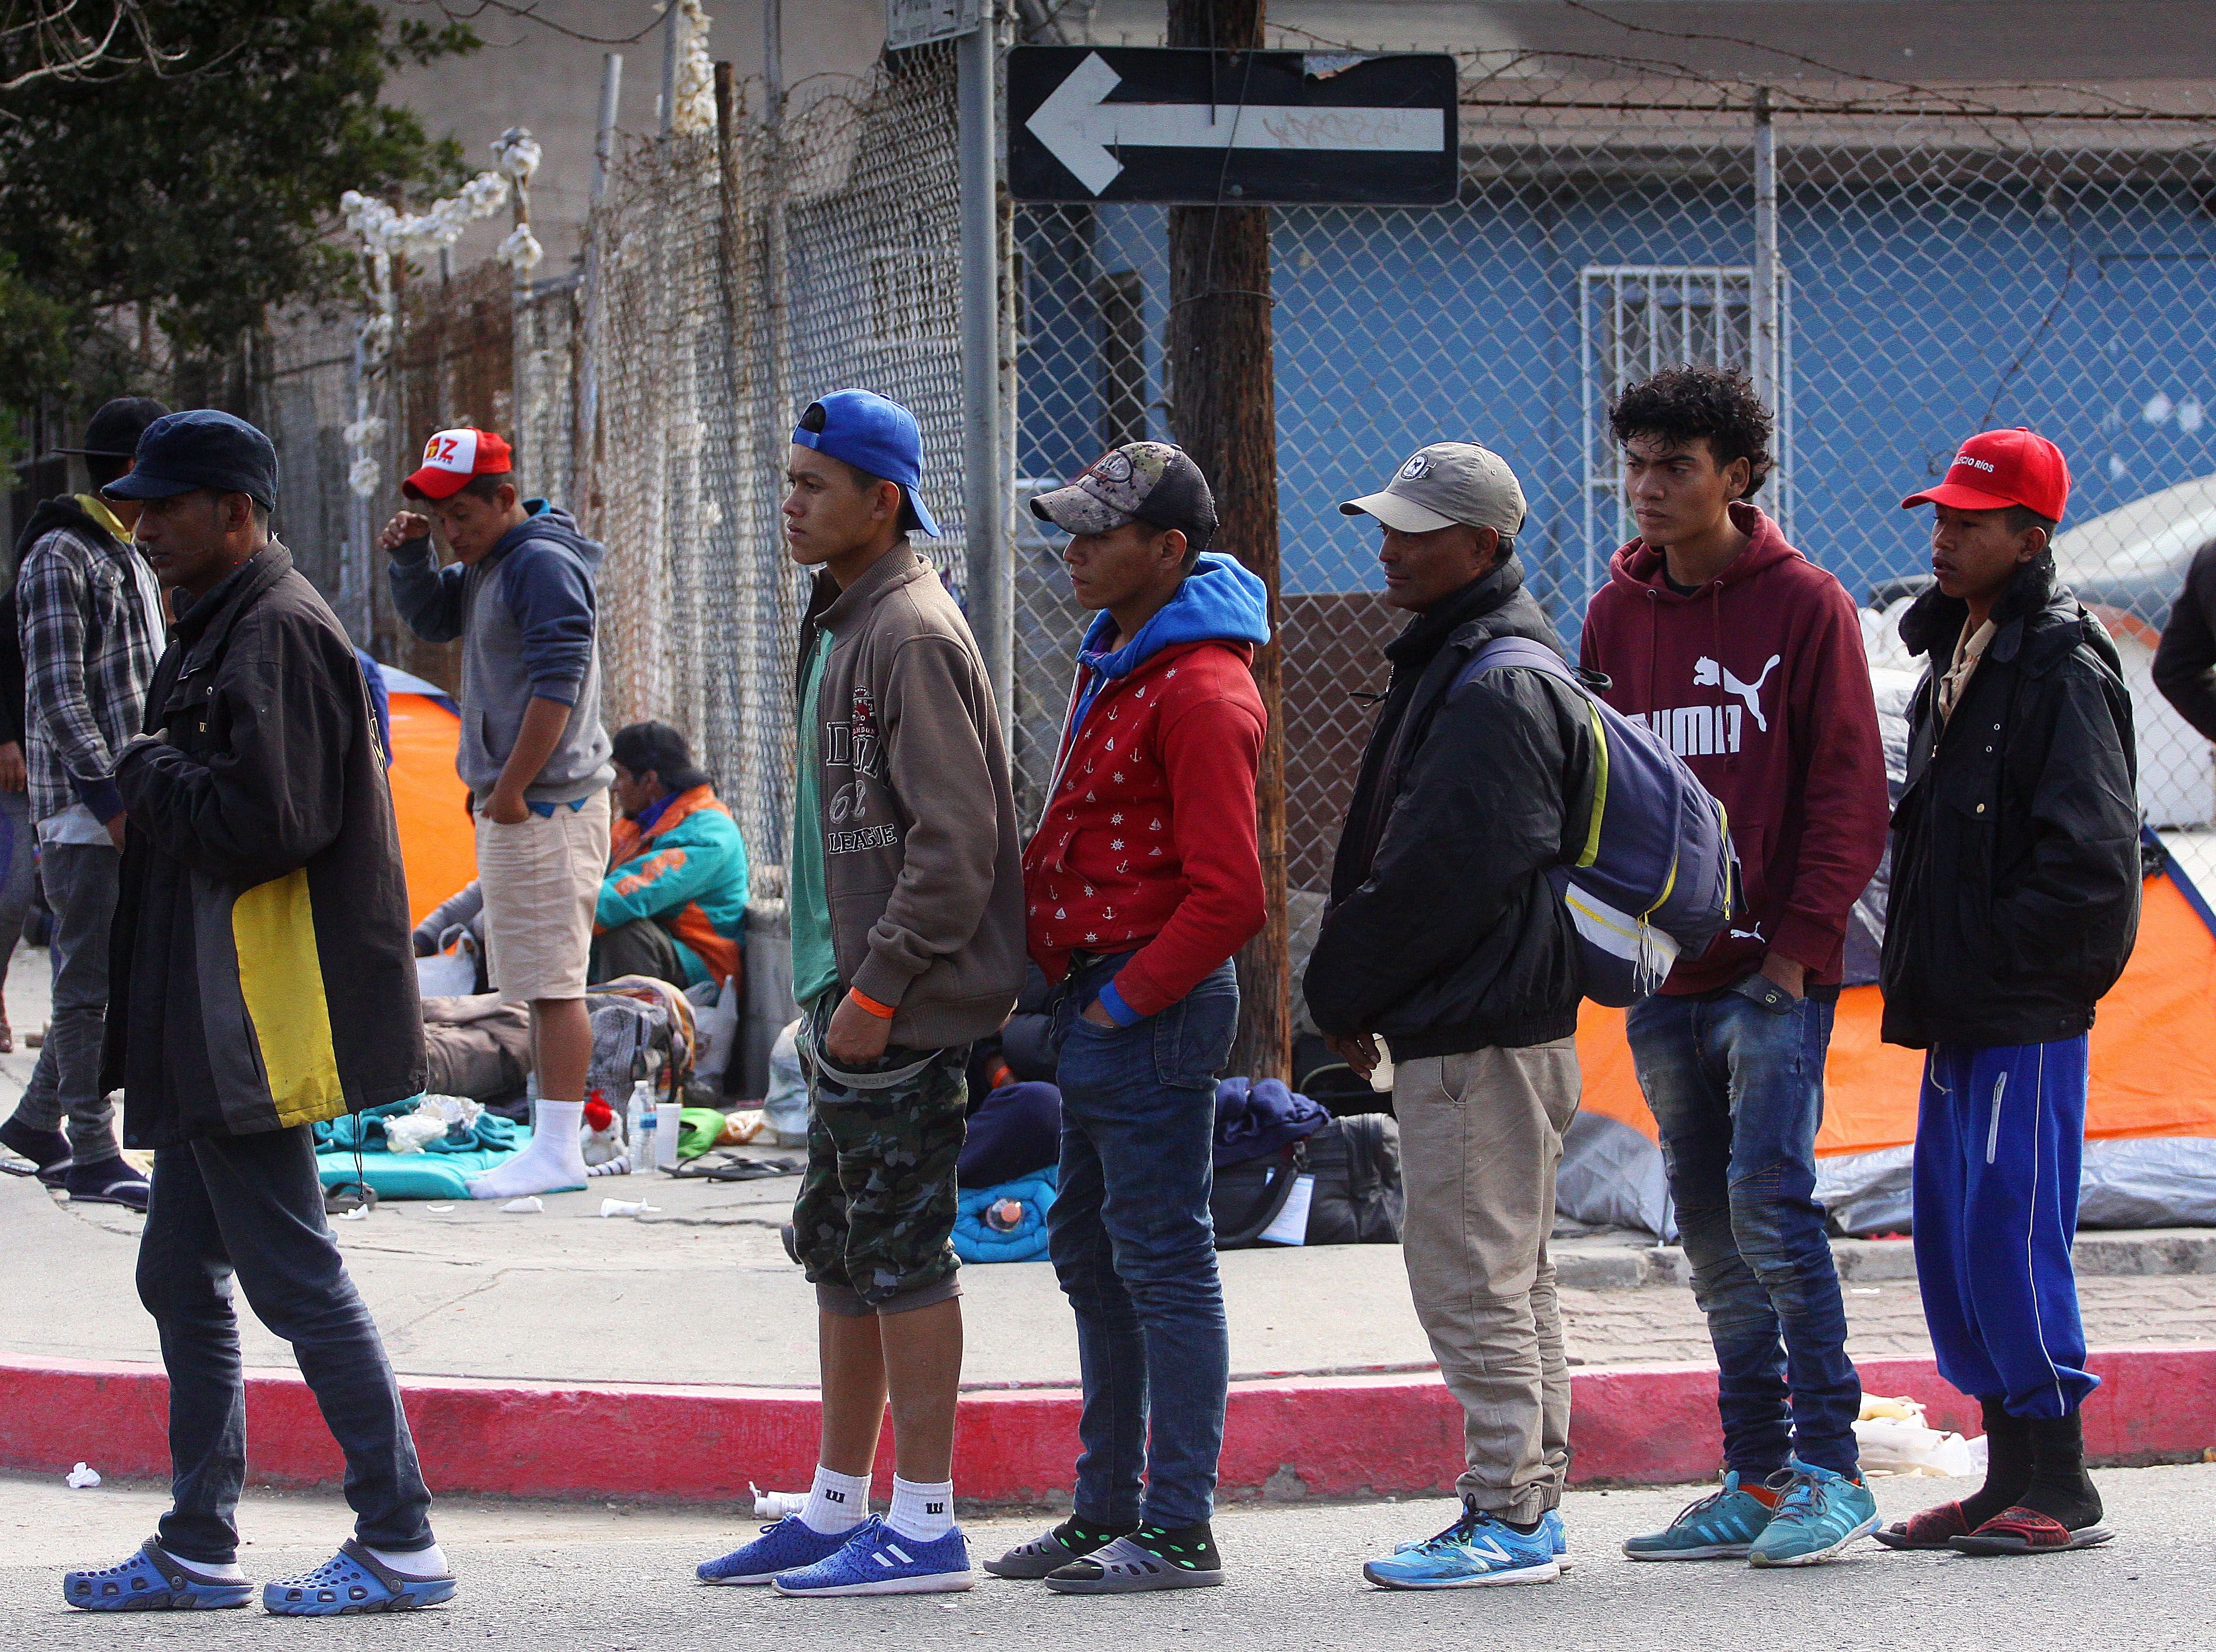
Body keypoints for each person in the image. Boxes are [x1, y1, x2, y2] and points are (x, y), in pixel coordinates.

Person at [63, 409, 453, 1614]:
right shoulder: (223, 622)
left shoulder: (274, 631)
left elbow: (269, 821)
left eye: (166, 506)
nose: (144, 525)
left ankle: (400, 1536)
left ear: (236, 510)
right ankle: (198, 1541)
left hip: (252, 1013)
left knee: (292, 1273)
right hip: (209, 1009)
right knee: (180, 1274)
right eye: (136, 504)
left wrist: (142, 766)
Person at [696, 389, 1023, 1597]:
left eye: (810, 485)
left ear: (879, 501)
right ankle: (840, 1503)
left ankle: (927, 1521)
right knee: (839, 1247)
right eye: (787, 479)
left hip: (902, 1004)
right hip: (846, 998)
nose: (789, 503)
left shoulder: (911, 630)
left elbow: (957, 844)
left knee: (901, 1251)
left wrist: (881, 987)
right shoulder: (842, 614)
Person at [1581, 367, 1889, 1567]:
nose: (1649, 490)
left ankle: (1832, 1466)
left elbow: (1847, 792)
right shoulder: (1613, 617)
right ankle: (1754, 1476)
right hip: (1665, 984)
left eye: (1677, 467)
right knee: (1708, 1229)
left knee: (1773, 1206)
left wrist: (1800, 953)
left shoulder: (1805, 606)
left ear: (1737, 477)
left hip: (1772, 978)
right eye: (1638, 465)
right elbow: (1599, 794)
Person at [1304, 441, 1593, 1588]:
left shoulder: (1495, 681)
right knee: (1514, 1276)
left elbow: (1438, 874)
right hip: (1498, 1025)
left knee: (1473, 1278)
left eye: (1413, 532)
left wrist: (1339, 988)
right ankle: (1528, 1501)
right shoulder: (1477, 659)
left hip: (1479, 1033)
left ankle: (1509, 1514)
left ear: (1482, 547)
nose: (1387, 549)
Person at [986, 442, 1266, 1596]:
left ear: (1169, 551)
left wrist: (1114, 1004)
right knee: (1093, 1251)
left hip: (1148, 1007)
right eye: (1069, 528)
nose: (1073, 548)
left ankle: (1179, 1528)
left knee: (1163, 1261)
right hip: (1105, 1005)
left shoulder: (1200, 687)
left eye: (1098, 533)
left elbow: (1234, 897)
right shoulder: (1124, 656)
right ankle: (1108, 1509)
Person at [1875, 429, 2138, 1557]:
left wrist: (2010, 970)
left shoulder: (2063, 665)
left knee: (2011, 1226)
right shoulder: (1956, 652)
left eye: (1971, 524)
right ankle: (2000, 1479)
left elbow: (2091, 862)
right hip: (1957, 1005)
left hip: (2022, 1009)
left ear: (2030, 538)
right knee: (1951, 1231)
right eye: (1939, 518)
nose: (1944, 538)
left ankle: (2061, 1482)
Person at [384, 427, 614, 1201]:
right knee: (537, 982)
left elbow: (560, 683)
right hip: (522, 801)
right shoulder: (491, 563)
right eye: (440, 516)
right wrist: (410, 555)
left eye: (462, 513)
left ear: (505, 497)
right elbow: (432, 621)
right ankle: (553, 1143)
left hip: (548, 802)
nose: (452, 529)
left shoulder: (540, 564)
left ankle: (558, 1150)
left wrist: (512, 787)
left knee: (553, 984)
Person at [0, 396, 170, 1208]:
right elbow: (58, 693)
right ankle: (91, 1148)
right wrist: (108, 798)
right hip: (83, 807)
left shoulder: (129, 550)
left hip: (127, 790)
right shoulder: (62, 557)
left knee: (101, 967)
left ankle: (35, 1123)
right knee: (87, 980)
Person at [591, 720, 748, 990]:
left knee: (623, 931)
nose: (614, 788)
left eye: (620, 775)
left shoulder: (709, 833)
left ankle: (635, 1030)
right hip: (663, 951)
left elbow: (627, 896)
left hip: (702, 970)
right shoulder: (634, 826)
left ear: (650, 780)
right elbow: (591, 879)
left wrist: (548, 919)